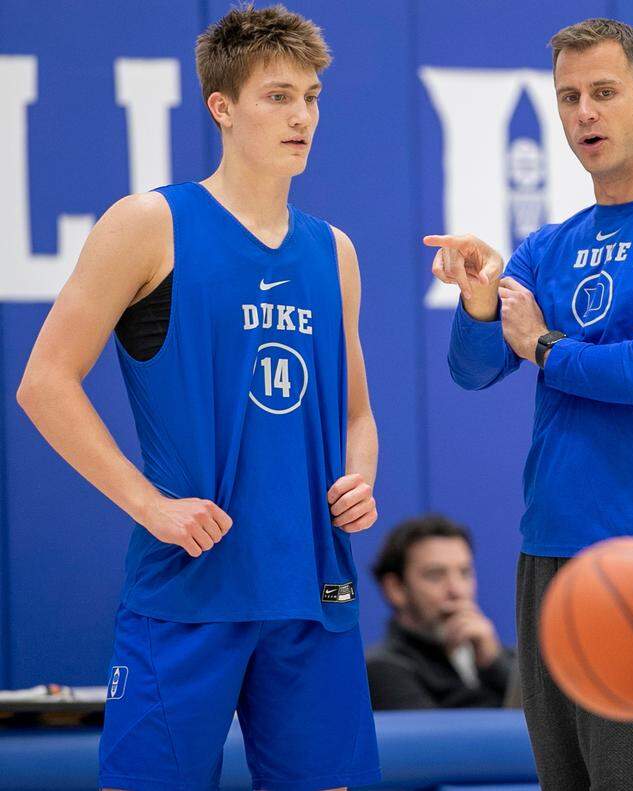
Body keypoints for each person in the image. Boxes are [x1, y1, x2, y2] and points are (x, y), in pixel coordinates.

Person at [16, 5, 383, 789]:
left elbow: (355, 410)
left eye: (312, 97)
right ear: (221, 107)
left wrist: (360, 476)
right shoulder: (150, 222)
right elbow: (43, 382)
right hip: (188, 589)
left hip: (313, 591)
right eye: (278, 96)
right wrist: (150, 505)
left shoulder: (335, 251)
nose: (302, 116)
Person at [424, 17, 633, 791]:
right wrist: (477, 305)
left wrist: (543, 346)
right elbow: (472, 369)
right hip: (549, 550)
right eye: (569, 98)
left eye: (604, 92)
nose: (585, 114)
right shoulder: (550, 243)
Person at [365, 514, 517, 710]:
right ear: (396, 588)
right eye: (435, 575)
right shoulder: (383, 669)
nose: (457, 590)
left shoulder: (502, 658)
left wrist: (494, 663)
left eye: (464, 573)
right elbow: (446, 738)